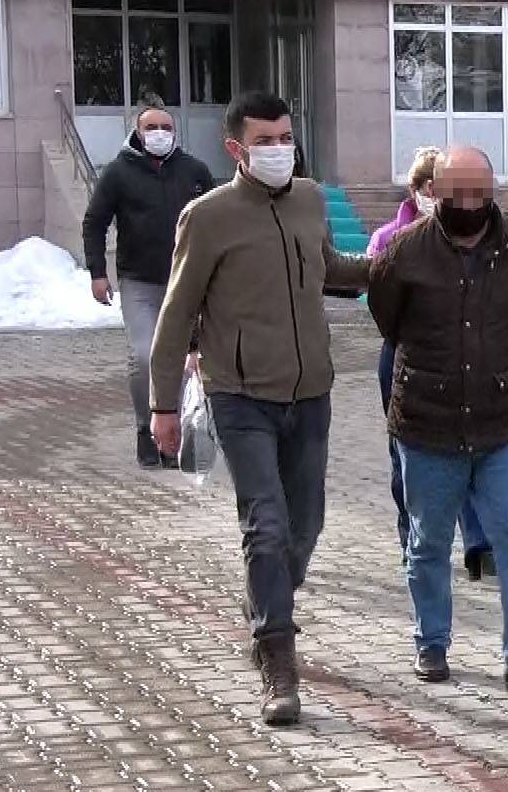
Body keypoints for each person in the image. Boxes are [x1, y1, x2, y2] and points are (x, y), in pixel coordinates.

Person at [148, 90, 371, 726]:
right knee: (266, 525)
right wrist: (163, 407)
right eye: (265, 141)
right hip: (240, 394)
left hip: (311, 390)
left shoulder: (309, 199)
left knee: (306, 528)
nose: (279, 150)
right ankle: (277, 654)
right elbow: (175, 315)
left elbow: (329, 268)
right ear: (235, 149)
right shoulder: (207, 216)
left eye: (285, 138)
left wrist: (390, 264)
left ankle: (265, 595)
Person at [367, 145, 508, 693]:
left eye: (478, 193)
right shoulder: (405, 250)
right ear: (435, 192)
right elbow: (388, 322)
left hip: (503, 423)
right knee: (428, 541)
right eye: (456, 193)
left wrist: (507, 371)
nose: (468, 203)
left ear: (493, 191)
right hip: (427, 424)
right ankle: (431, 642)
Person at [370, 147, 493, 577]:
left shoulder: (479, 236)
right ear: (417, 190)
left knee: (470, 447)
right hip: (406, 356)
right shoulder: (391, 239)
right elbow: (382, 304)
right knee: (408, 453)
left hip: (466, 356)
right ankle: (413, 537)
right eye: (430, 186)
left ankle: (478, 541)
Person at [83, 105, 216, 468]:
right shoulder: (118, 172)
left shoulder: (195, 171)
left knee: (185, 361)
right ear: (138, 134)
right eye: (152, 127)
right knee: (145, 356)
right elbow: (95, 221)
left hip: (186, 281)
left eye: (166, 126)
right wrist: (97, 272)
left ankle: (177, 436)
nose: (160, 133)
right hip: (139, 282)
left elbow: (218, 220)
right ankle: (148, 430)